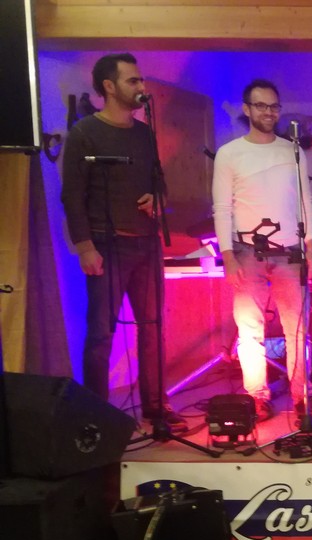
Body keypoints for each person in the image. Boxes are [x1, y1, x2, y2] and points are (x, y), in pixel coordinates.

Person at [60, 53, 187, 432]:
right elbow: (72, 195)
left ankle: (155, 408)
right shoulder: (85, 133)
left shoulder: (144, 133)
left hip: (147, 244)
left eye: (141, 79)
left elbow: (158, 182)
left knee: (152, 327)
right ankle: (96, 417)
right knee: (101, 333)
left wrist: (158, 198)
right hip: (106, 244)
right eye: (133, 81)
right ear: (109, 87)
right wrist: (85, 246)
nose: (141, 87)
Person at [212, 79, 312, 423]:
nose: (269, 112)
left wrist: (311, 246)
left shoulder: (293, 151)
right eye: (261, 106)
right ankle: (256, 396)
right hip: (247, 251)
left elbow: (304, 201)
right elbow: (221, 208)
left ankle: (302, 396)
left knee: (297, 328)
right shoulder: (229, 154)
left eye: (274, 106)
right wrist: (228, 256)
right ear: (247, 109)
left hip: (290, 251)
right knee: (250, 330)